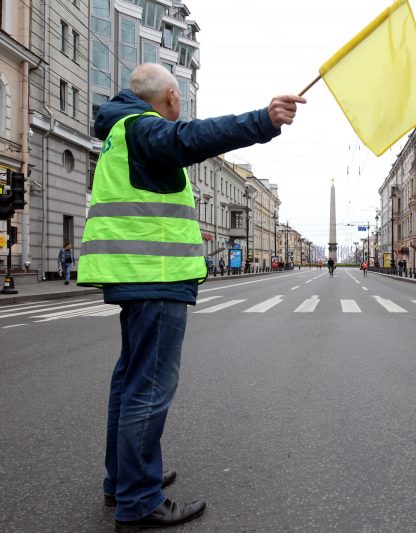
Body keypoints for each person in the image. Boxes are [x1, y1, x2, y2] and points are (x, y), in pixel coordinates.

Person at [77, 63, 305, 530]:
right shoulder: (146, 129)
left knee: (129, 381)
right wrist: (263, 120)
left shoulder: (121, 130)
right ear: (170, 100)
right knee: (149, 388)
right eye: (177, 102)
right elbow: (192, 138)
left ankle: (122, 480)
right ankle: (139, 499)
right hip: (153, 276)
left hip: (134, 273)